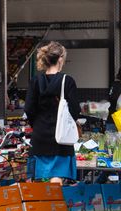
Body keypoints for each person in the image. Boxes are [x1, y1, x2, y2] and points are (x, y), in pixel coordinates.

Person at [24, 41, 80, 185]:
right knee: (57, 177)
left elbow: (29, 109)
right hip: (61, 138)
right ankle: (54, 206)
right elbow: (75, 110)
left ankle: (42, 206)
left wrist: (37, 125)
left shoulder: (35, 81)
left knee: (38, 179)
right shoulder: (68, 81)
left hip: (39, 136)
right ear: (60, 59)